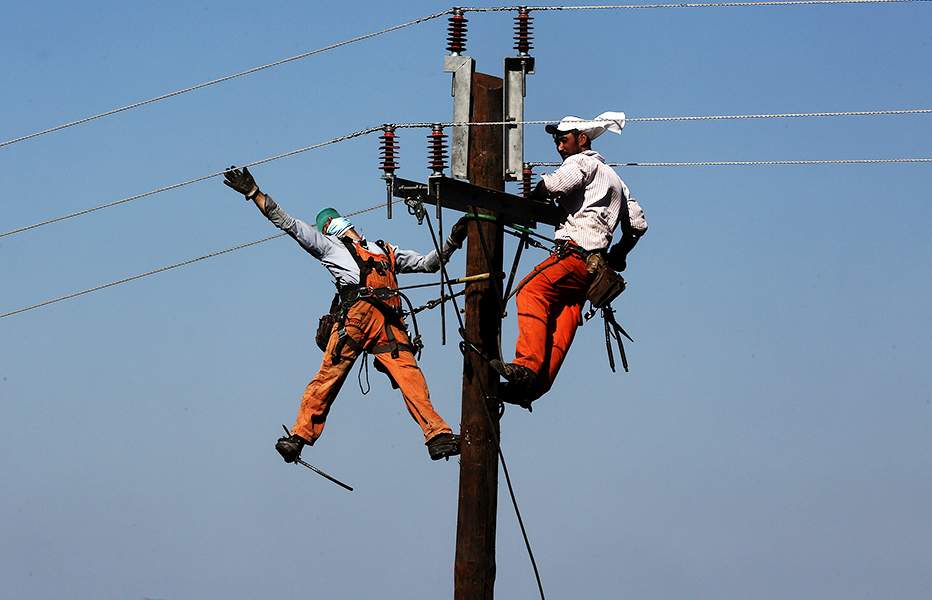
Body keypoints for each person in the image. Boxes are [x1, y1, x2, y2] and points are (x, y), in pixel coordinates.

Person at [222, 166, 470, 462]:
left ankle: (438, 436)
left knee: (409, 378)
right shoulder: (331, 247)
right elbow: (289, 224)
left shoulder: (385, 251)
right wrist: (254, 193)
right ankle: (299, 437)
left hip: (388, 324)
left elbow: (430, 264)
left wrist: (453, 242)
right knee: (331, 376)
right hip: (357, 318)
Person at [493, 112, 648, 406]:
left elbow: (555, 185)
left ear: (582, 139)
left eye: (563, 140)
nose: (560, 147)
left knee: (531, 291)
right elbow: (638, 225)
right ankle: (535, 387)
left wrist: (531, 200)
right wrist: (619, 254)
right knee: (564, 318)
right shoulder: (616, 179)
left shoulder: (582, 162)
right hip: (592, 271)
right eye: (557, 142)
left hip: (573, 255)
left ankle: (526, 367)